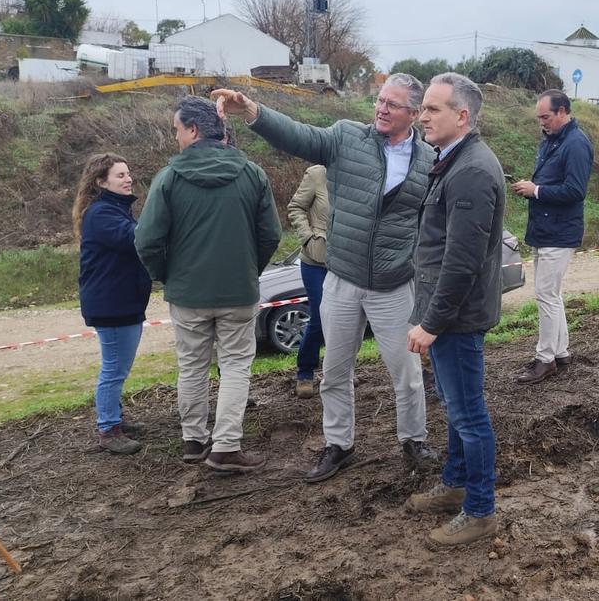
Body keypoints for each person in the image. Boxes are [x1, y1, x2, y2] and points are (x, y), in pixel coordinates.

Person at [211, 73, 436, 483]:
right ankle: (339, 444)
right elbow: (298, 136)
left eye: (393, 104)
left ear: (414, 114)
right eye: (380, 101)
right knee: (334, 370)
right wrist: (254, 112)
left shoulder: (429, 160)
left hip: (394, 285)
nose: (382, 109)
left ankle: (414, 441)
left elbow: (434, 222)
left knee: (407, 372)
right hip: (343, 280)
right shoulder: (347, 138)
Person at [135, 96, 282, 473]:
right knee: (235, 367)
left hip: (188, 294)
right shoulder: (253, 174)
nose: (176, 138)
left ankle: (194, 440)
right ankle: (226, 446)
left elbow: (147, 240)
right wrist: (250, 268)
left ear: (194, 130)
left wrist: (167, 273)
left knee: (192, 367)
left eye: (177, 130)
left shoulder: (168, 178)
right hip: (238, 291)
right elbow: (271, 235)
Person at [405, 73, 505, 548]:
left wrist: (431, 322)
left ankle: (481, 509)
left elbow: (461, 262)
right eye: (423, 107)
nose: (421, 116)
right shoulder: (453, 161)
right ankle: (457, 483)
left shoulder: (471, 171)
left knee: (469, 415)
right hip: (448, 314)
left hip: (457, 318)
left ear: (461, 116)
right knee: (455, 407)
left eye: (432, 109)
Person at [511, 89, 593, 385]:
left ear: (562, 112)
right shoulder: (554, 141)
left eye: (545, 116)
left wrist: (536, 191)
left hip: (559, 232)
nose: (541, 122)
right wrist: (532, 187)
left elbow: (576, 190)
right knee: (552, 295)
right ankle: (560, 352)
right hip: (547, 229)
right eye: (539, 117)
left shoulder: (575, 144)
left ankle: (544, 360)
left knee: (546, 295)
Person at [73, 153, 152, 455]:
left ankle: (115, 419)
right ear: (100, 182)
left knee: (118, 365)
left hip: (119, 301)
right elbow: (136, 239)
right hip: (113, 304)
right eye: (120, 175)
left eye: (128, 173)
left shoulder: (113, 210)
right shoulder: (103, 214)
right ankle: (108, 429)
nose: (128, 178)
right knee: (114, 369)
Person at [287, 164, 328, 399]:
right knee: (321, 317)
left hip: (347, 261)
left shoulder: (359, 171)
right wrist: (308, 237)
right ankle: (305, 371)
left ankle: (339, 371)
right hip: (315, 261)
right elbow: (295, 207)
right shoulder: (317, 174)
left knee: (346, 320)